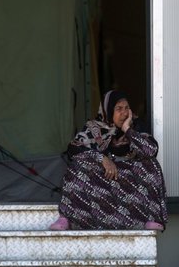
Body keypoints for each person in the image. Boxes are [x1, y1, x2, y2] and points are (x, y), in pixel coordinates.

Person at [50, 90, 169, 231]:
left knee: (151, 165)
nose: (124, 113)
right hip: (103, 179)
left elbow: (151, 151)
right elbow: (73, 149)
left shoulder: (135, 126)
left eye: (126, 108)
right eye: (118, 109)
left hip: (128, 180)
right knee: (76, 167)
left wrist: (127, 130)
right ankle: (67, 218)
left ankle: (150, 218)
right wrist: (102, 158)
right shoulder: (94, 128)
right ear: (108, 110)